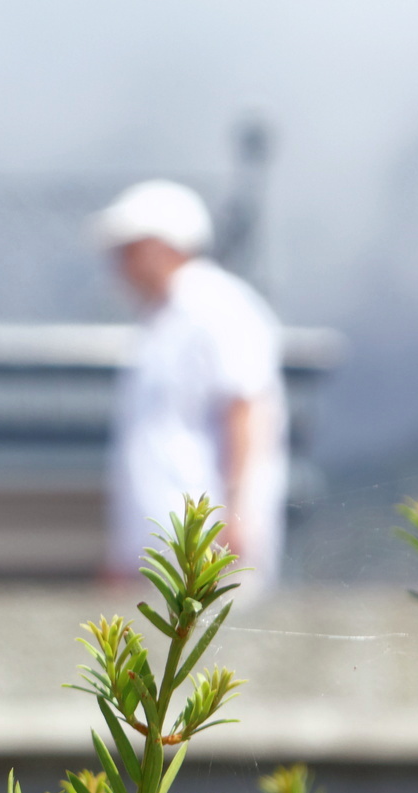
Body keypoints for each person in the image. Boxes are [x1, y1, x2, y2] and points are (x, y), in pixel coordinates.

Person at [91, 179, 289, 597]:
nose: (119, 264)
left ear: (165, 245)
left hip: (208, 548)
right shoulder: (160, 321)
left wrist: (235, 516)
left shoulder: (219, 307)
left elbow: (244, 408)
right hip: (162, 548)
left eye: (129, 249)